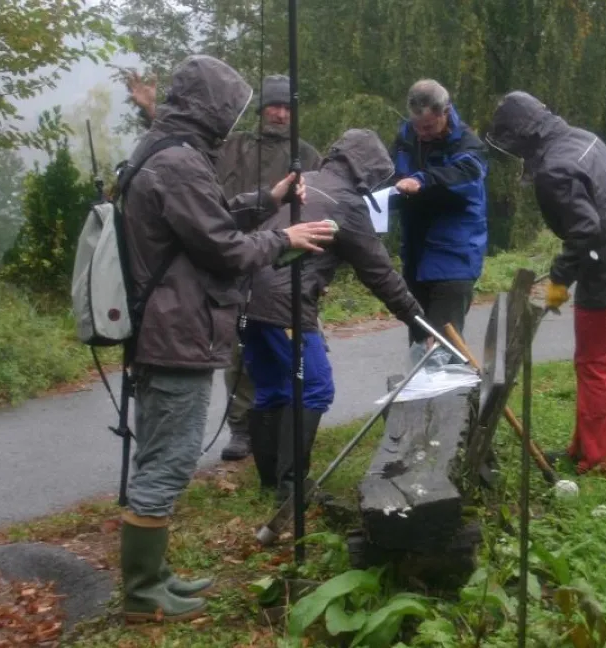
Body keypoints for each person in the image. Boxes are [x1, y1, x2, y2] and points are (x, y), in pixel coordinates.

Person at [118, 54, 336, 623]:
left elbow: (208, 218)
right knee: (170, 460)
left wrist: (267, 200)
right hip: (176, 330)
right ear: (210, 107)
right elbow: (226, 249)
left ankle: (156, 575)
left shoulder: (163, 151)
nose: (233, 117)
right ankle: (142, 593)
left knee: (159, 454)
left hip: (163, 326)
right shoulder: (182, 162)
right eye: (230, 107)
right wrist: (283, 236)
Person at [126, 72, 323, 463]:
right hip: (219, 266)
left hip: (276, 269)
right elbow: (194, 201)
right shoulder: (228, 146)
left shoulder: (308, 155)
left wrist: (276, 209)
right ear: (260, 110)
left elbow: (318, 210)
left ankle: (276, 425)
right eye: (273, 106)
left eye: (287, 108)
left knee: (278, 350)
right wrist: (151, 110)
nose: (280, 114)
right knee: (236, 352)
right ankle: (241, 428)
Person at [243, 128, 428, 504]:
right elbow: (377, 271)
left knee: (271, 388)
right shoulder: (347, 202)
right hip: (285, 304)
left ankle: (269, 479)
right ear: (368, 172)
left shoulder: (304, 181)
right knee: (314, 386)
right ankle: (292, 488)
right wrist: (414, 315)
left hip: (245, 296)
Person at [486, 91, 606, 476]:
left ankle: (604, 461)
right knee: (592, 360)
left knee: (595, 363)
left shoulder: (555, 169)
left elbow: (584, 233)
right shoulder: (582, 138)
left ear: (522, 136)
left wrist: (557, 287)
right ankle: (584, 447)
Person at [392, 79, 488, 357]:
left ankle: (450, 398)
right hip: (416, 255)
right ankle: (421, 400)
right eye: (418, 127)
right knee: (419, 341)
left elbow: (464, 177)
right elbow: (389, 173)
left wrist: (422, 181)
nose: (423, 134)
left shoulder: (470, 146)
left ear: (445, 112)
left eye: (430, 127)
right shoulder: (405, 139)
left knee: (444, 345)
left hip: (453, 258)